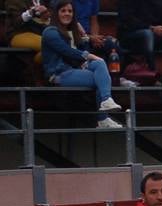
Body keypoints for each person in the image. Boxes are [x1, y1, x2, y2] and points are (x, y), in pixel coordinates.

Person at [41, 0, 122, 129]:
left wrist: (83, 33)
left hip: (76, 69)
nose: (67, 14)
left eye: (70, 11)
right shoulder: (50, 32)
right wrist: (88, 56)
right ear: (56, 14)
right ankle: (103, 118)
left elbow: (82, 47)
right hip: (60, 73)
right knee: (100, 78)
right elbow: (67, 51)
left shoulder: (73, 31)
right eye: (63, 11)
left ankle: (106, 101)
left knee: (99, 64)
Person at [116, 0, 162, 86]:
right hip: (131, 35)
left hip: (155, 35)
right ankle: (153, 75)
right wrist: (151, 28)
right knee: (147, 34)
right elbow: (126, 20)